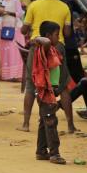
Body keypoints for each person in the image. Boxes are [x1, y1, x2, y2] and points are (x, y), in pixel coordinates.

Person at [18, 0, 72, 132]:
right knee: (63, 87)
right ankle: (70, 125)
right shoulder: (64, 7)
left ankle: (26, 124)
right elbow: (67, 33)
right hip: (58, 47)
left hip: (37, 47)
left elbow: (23, 30)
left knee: (30, 85)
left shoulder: (34, 5)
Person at [29, 21, 67, 164]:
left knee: (44, 122)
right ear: (48, 36)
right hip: (45, 92)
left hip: (49, 90)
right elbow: (44, 42)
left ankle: (41, 151)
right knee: (51, 121)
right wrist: (37, 38)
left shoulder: (52, 49)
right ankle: (54, 153)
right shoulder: (44, 48)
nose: (59, 37)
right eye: (57, 34)